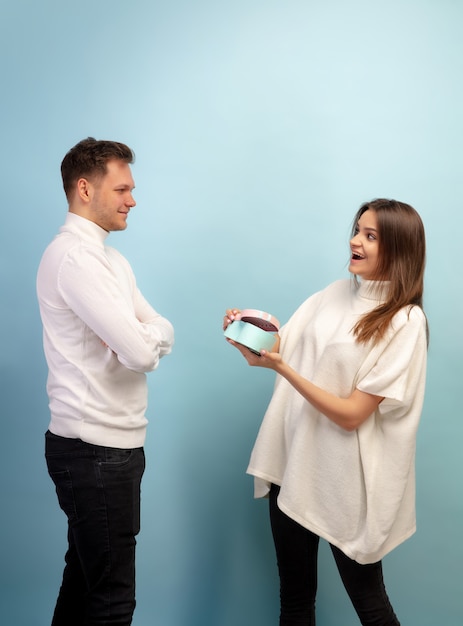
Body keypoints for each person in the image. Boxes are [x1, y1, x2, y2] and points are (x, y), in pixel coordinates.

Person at [223, 199, 427, 626]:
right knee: (295, 601)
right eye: (357, 230)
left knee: (370, 604)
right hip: (292, 462)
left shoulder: (405, 322)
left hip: (343, 482)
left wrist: (284, 369)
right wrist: (252, 332)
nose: (355, 240)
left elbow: (353, 414)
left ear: (399, 249)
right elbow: (282, 352)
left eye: (371, 236)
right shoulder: (332, 294)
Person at [37, 137, 174, 626]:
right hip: (92, 447)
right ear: (84, 189)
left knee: (86, 580)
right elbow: (142, 350)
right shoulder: (75, 259)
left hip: (114, 445)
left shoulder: (112, 261)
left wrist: (144, 339)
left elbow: (164, 329)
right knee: (112, 598)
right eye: (121, 188)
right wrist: (144, 340)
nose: (132, 199)